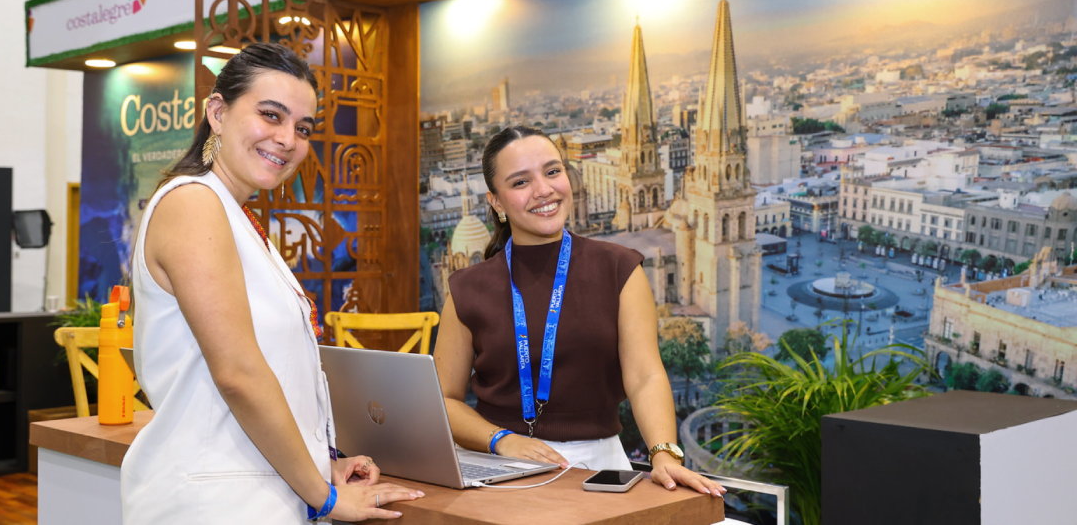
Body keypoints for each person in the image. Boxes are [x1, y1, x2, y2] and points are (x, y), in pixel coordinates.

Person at [121, 43, 421, 524]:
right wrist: (325, 497)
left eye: (303, 128)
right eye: (271, 115)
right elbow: (238, 374)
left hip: (251, 491)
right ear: (217, 113)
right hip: (213, 504)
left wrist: (319, 465)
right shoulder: (193, 203)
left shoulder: (233, 215)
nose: (287, 139)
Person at [435, 126, 725, 497]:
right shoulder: (466, 289)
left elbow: (645, 375)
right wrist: (501, 439)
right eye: (521, 182)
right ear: (497, 203)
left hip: (596, 467)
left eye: (552, 171)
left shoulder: (619, 269)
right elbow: (443, 400)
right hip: (495, 466)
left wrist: (664, 454)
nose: (543, 189)